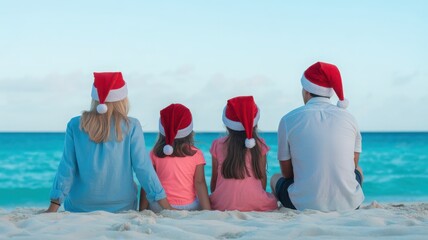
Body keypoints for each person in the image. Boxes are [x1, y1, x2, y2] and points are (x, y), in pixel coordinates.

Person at [46, 72, 172, 213]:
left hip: (79, 207)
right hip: (122, 207)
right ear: (122, 99)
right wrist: (165, 205)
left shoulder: (75, 124)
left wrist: (53, 206)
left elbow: (67, 166)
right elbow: (143, 168)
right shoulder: (132, 125)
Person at [271, 62, 364, 211]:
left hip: (303, 204)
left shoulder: (288, 120)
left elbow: (286, 173)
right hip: (350, 205)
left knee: (275, 178)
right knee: (359, 169)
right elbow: (352, 165)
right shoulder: (350, 119)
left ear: (306, 91)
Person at [210, 96, 278, 211]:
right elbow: (262, 180)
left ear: (227, 124)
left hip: (222, 205)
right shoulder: (260, 145)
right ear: (255, 123)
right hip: (256, 204)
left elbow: (214, 183)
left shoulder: (217, 145)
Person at [141, 103, 211, 212]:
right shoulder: (196, 154)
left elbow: (148, 183)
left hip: (160, 207)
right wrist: (208, 211)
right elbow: (200, 183)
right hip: (189, 207)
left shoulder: (154, 153)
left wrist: (142, 210)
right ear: (189, 131)